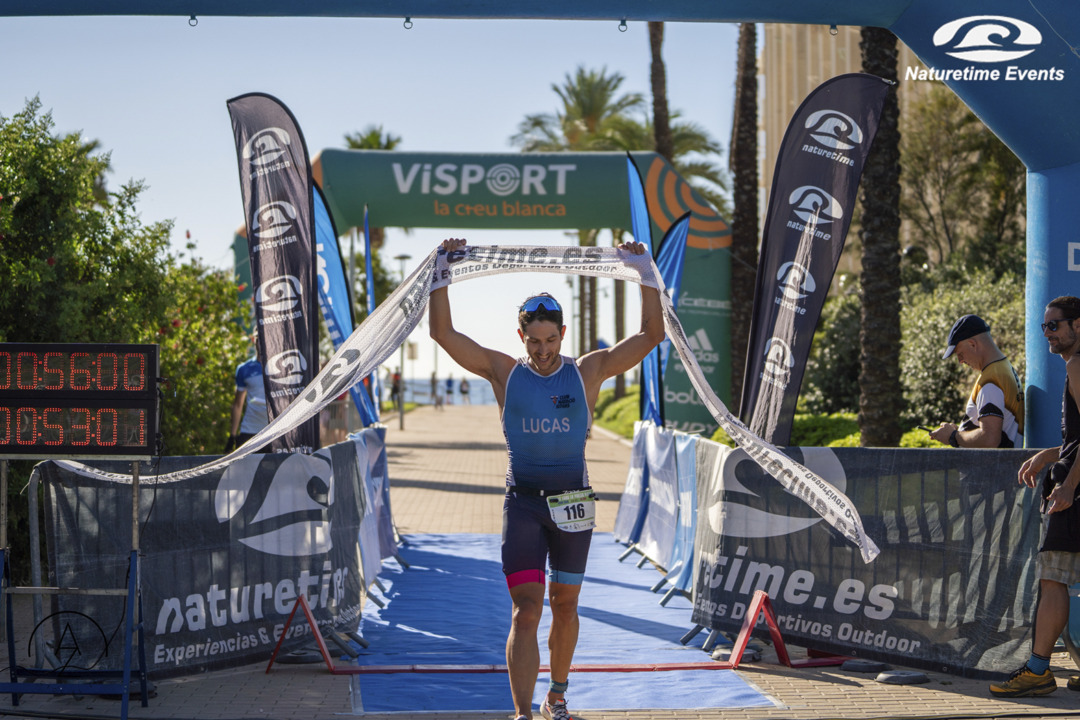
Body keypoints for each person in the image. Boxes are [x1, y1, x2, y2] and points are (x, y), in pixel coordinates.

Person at [429, 237, 663, 720]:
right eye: (533, 341)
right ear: (521, 338)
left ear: (563, 333)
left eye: (550, 340)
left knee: (566, 605)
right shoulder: (504, 372)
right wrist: (441, 273)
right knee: (526, 610)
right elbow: (443, 333)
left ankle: (557, 695)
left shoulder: (588, 371)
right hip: (524, 505)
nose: (542, 351)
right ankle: (523, 714)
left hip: (573, 502)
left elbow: (650, 335)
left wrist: (644, 272)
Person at [989, 296, 1080, 697]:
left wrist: (1070, 486)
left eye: (1055, 325)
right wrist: (1049, 453)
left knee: (1053, 580)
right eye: (1044, 327)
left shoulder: (1078, 364)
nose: (1048, 334)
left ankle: (1039, 671)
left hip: (1075, 493)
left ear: (1079, 326)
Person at [929, 314, 1024, 448]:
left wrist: (953, 436)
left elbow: (990, 438)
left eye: (959, 354)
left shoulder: (991, 381)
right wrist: (960, 432)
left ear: (972, 344)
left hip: (991, 468)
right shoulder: (1004, 368)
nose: (960, 361)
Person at [227, 347, 270, 453]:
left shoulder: (281, 367)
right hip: (249, 431)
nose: (260, 341)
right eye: (257, 337)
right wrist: (232, 436)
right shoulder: (244, 369)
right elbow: (238, 404)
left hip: (274, 432)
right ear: (254, 340)